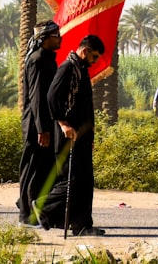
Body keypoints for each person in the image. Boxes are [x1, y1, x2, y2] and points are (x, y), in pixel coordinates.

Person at [32, 34, 105, 236]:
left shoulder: (81, 70)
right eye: (95, 56)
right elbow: (52, 97)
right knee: (71, 180)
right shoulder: (67, 67)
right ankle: (43, 206)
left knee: (85, 181)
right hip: (67, 135)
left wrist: (90, 135)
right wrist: (63, 123)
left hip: (82, 137)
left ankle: (82, 225)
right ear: (85, 51)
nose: (95, 61)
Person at [17, 20, 61, 226]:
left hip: (44, 123)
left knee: (43, 167)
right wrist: (42, 128)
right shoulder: (37, 60)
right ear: (44, 39)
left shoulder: (48, 59)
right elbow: (36, 98)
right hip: (36, 124)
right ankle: (26, 215)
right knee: (32, 168)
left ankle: (31, 206)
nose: (59, 38)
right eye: (55, 35)